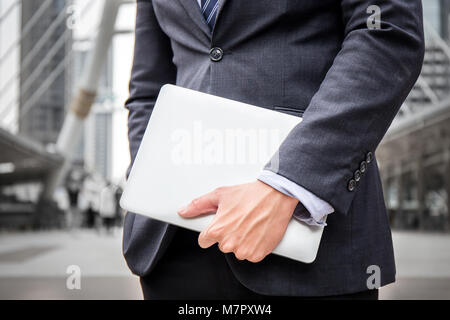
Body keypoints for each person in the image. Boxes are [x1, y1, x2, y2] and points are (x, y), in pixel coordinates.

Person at [123, 0, 425, 300]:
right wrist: (148, 185)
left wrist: (288, 185)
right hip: (173, 248)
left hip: (307, 245)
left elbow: (386, 32)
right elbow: (147, 90)